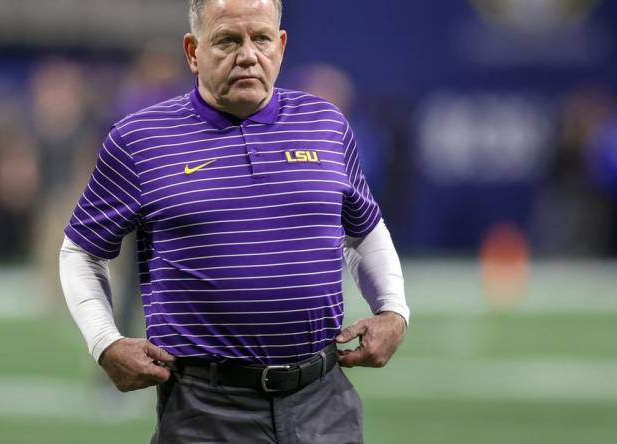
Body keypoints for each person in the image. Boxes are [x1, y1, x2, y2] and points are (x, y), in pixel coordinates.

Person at [59, 0, 409, 442]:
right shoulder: (139, 140)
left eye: (261, 38)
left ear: (280, 46)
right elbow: (80, 252)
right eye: (227, 40)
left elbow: (365, 231)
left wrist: (394, 310)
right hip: (204, 411)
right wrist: (104, 341)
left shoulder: (326, 124)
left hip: (324, 403)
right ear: (193, 51)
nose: (248, 55)